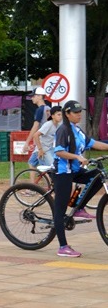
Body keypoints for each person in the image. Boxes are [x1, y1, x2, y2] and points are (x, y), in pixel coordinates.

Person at [50, 100, 108, 257]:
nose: (79, 115)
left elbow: (93, 143)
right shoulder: (63, 130)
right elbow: (59, 152)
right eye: (75, 112)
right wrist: (77, 156)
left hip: (75, 170)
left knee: (97, 175)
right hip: (62, 172)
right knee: (60, 210)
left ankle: (79, 208)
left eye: (80, 112)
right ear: (67, 114)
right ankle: (62, 247)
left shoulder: (77, 130)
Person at [30, 105, 63, 187]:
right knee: (51, 168)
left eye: (61, 115)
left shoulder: (58, 125)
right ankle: (49, 187)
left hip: (49, 148)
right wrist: (40, 149)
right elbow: (36, 135)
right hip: (44, 150)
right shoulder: (48, 124)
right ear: (52, 116)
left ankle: (33, 187)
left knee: (32, 164)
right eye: (58, 115)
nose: (60, 117)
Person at [23, 87, 51, 182]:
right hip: (47, 140)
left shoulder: (40, 110)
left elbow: (35, 127)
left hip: (42, 142)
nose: (32, 98)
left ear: (39, 96)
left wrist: (27, 142)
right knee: (32, 162)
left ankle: (50, 187)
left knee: (45, 167)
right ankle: (32, 187)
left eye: (33, 96)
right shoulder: (48, 109)